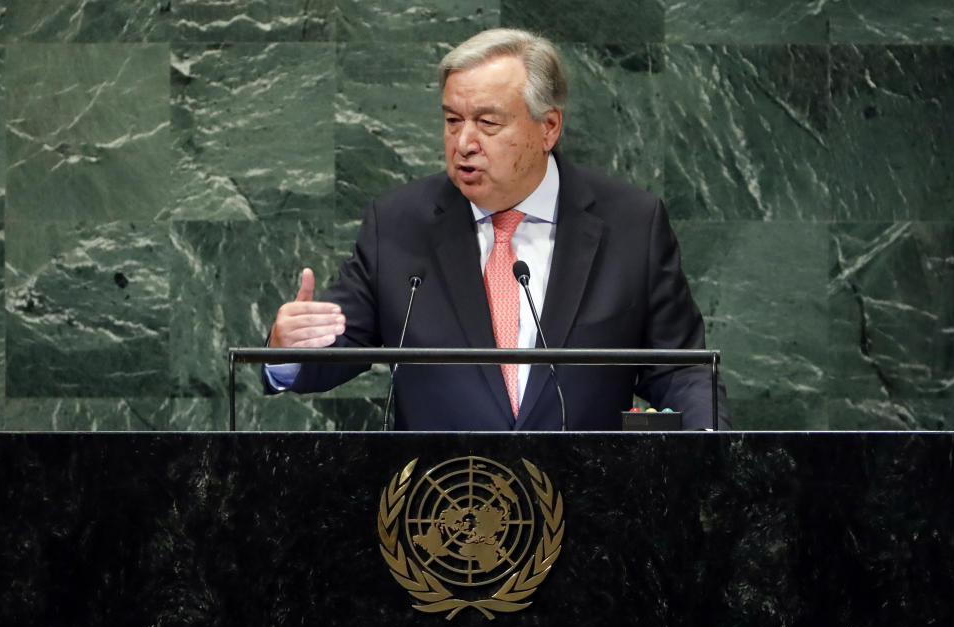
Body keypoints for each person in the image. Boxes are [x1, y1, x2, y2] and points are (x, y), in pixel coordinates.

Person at [263, 28, 731, 431]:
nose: (464, 143)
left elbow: (679, 367)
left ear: (548, 128)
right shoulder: (399, 224)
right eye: (452, 121)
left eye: (487, 123)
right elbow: (336, 347)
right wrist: (288, 350)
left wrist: (710, 440)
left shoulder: (631, 222)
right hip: (441, 509)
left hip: (590, 508)